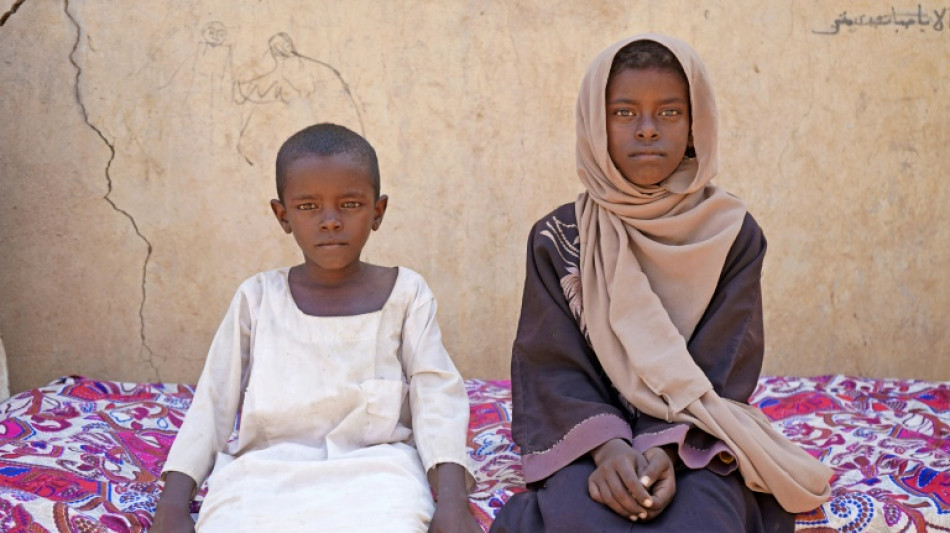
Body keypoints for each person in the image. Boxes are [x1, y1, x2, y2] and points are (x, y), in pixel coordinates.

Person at [489, 34, 831, 532]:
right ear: (595, 125)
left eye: (669, 113)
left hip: (695, 433)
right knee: (577, 513)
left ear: (696, 126)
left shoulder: (732, 234)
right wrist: (609, 447)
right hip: (588, 441)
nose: (647, 130)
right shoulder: (559, 239)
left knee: (707, 515)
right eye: (624, 113)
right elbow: (550, 366)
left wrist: (663, 448)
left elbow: (723, 364)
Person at [151, 123, 482, 533]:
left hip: (378, 473)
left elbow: (437, 398)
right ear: (282, 214)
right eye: (308, 206)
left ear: (377, 212)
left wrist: (452, 503)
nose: (330, 221)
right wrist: (172, 505)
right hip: (262, 474)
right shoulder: (258, 298)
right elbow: (213, 403)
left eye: (350, 204)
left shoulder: (406, 294)